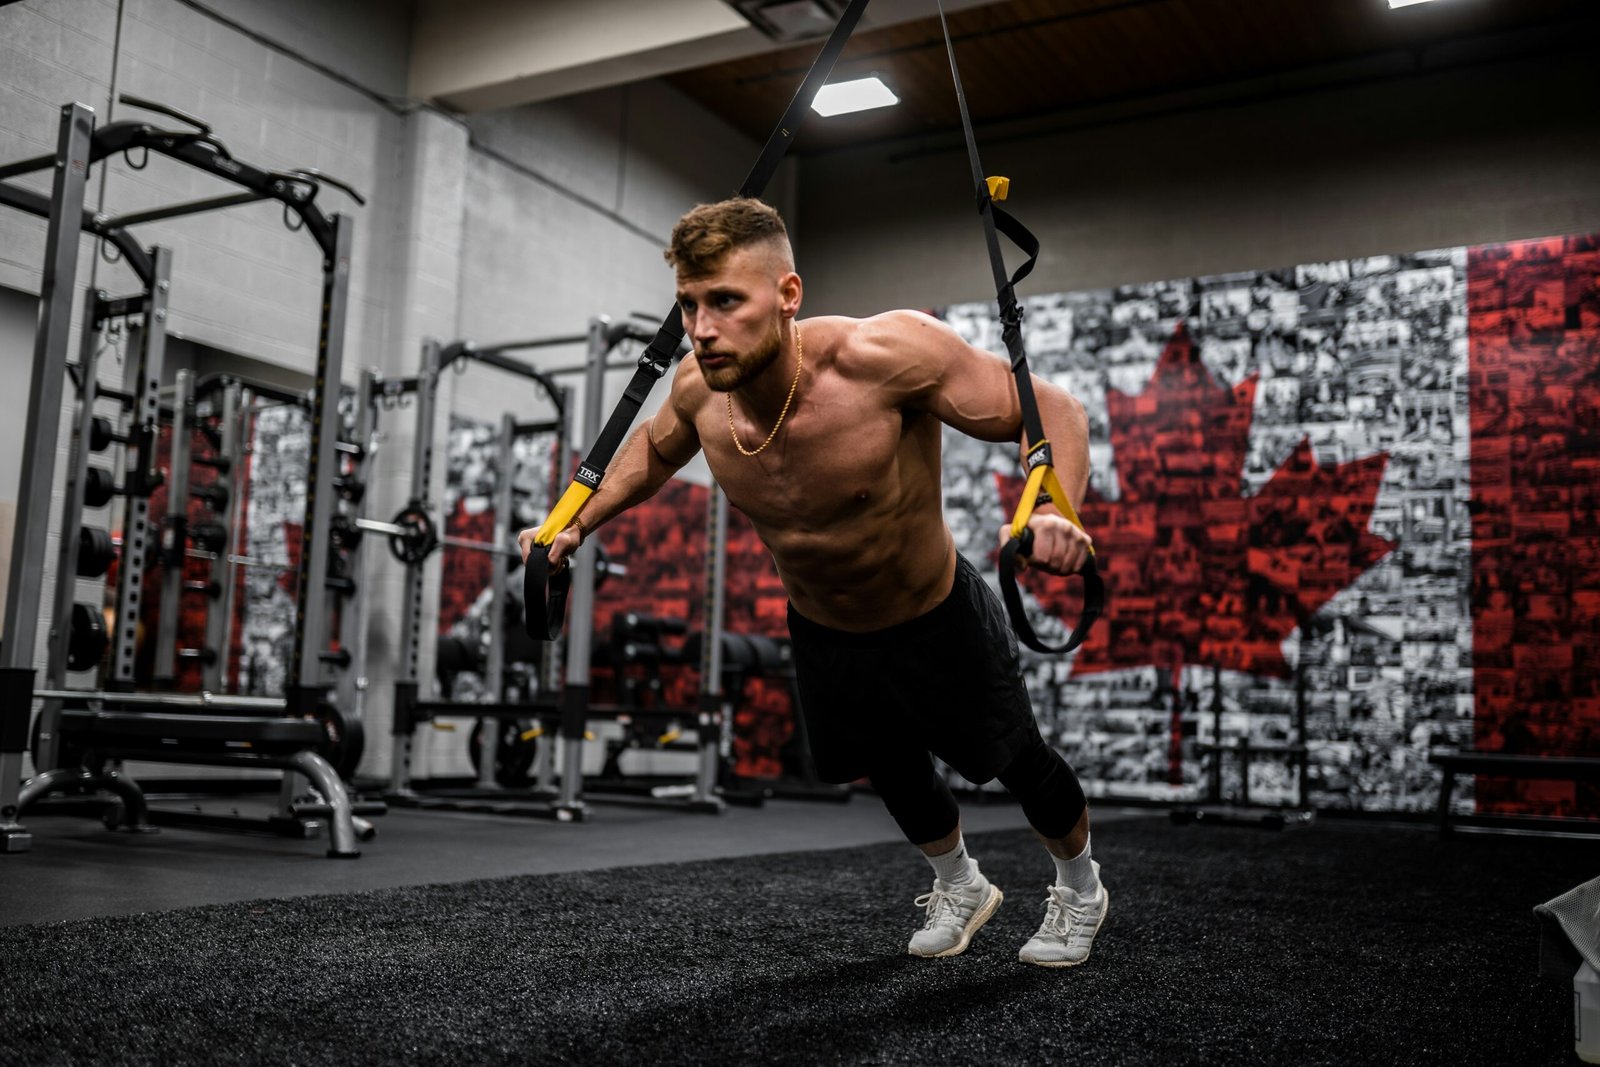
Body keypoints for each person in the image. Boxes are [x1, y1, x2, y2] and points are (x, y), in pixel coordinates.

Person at [519, 197, 1106, 966]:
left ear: (788, 296)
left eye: (727, 301)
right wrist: (574, 519)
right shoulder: (699, 391)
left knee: (1017, 761)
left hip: (933, 612)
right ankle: (959, 882)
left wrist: (1054, 509)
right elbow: (654, 450)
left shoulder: (885, 357)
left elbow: (1050, 409)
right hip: (826, 627)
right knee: (891, 767)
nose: (701, 328)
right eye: (690, 305)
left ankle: (1081, 887)